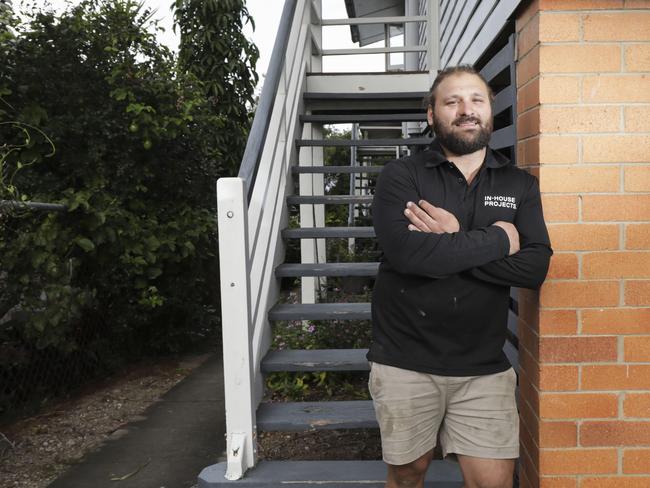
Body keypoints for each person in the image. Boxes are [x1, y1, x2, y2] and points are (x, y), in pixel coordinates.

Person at [368, 65, 552, 488]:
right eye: (452, 102)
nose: (466, 110)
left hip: (484, 365)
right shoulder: (404, 176)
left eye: (477, 100)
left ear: (490, 111)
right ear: (432, 115)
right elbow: (409, 254)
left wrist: (453, 239)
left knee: (493, 482)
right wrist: (499, 239)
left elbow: (534, 268)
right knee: (408, 472)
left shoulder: (519, 184)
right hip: (405, 360)